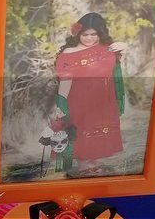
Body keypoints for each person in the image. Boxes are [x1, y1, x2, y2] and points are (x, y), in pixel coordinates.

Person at [53, 12, 126, 176]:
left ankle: (93, 164)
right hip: (78, 100)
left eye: (94, 34)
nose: (89, 38)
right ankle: (83, 167)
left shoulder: (106, 50)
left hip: (103, 101)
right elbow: (65, 81)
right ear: (78, 33)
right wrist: (61, 103)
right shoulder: (69, 53)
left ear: (100, 34)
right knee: (81, 131)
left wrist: (123, 46)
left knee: (98, 132)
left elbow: (116, 58)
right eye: (85, 34)